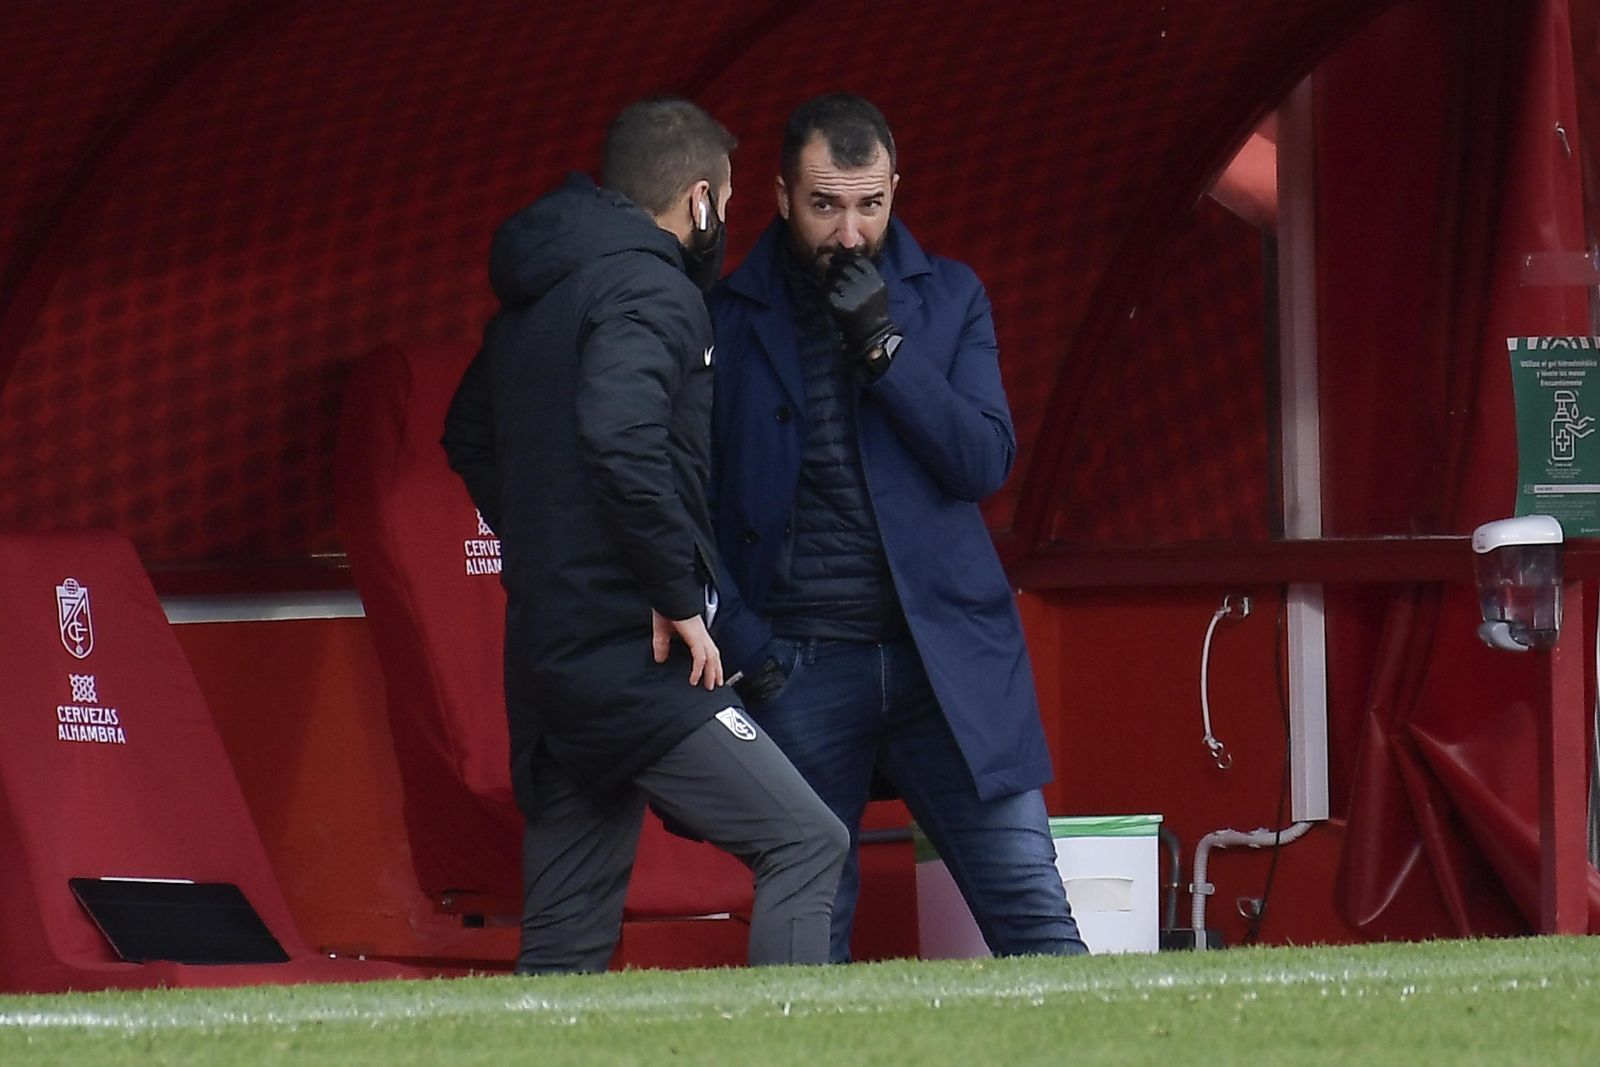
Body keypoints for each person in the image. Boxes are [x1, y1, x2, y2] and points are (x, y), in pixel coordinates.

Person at [441, 96, 847, 974]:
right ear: (699, 201)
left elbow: (468, 432)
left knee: (564, 941)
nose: (724, 225)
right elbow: (621, 438)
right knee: (807, 842)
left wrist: (553, 544)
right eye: (729, 205)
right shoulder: (651, 287)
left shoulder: (542, 293)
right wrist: (673, 591)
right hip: (634, 652)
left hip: (551, 654)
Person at [708, 92, 1088, 962]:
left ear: (894, 193)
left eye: (870, 205)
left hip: (944, 659)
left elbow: (983, 462)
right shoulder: (728, 317)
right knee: (804, 943)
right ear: (779, 198)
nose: (849, 233)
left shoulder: (948, 297)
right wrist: (751, 647)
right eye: (825, 206)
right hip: (799, 662)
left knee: (1035, 915)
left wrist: (884, 349)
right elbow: (687, 505)